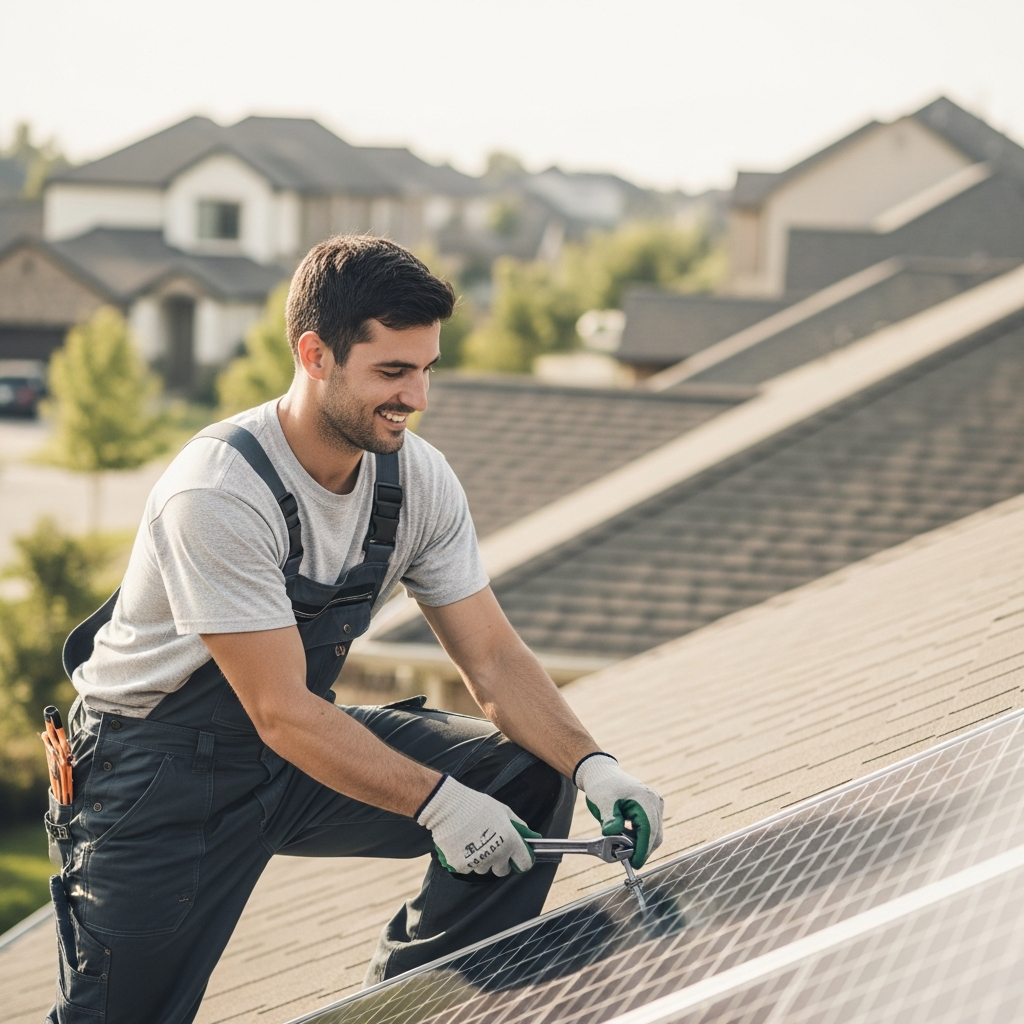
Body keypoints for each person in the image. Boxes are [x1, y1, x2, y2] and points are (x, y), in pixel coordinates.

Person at [46, 236, 664, 1024]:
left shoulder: (416, 480)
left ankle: (416, 1007)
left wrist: (594, 765)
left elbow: (495, 657)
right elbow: (278, 708)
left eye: (426, 368)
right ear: (315, 354)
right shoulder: (219, 494)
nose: (418, 396)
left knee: (527, 775)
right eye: (393, 372)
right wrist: (439, 805)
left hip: (293, 751)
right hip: (158, 774)